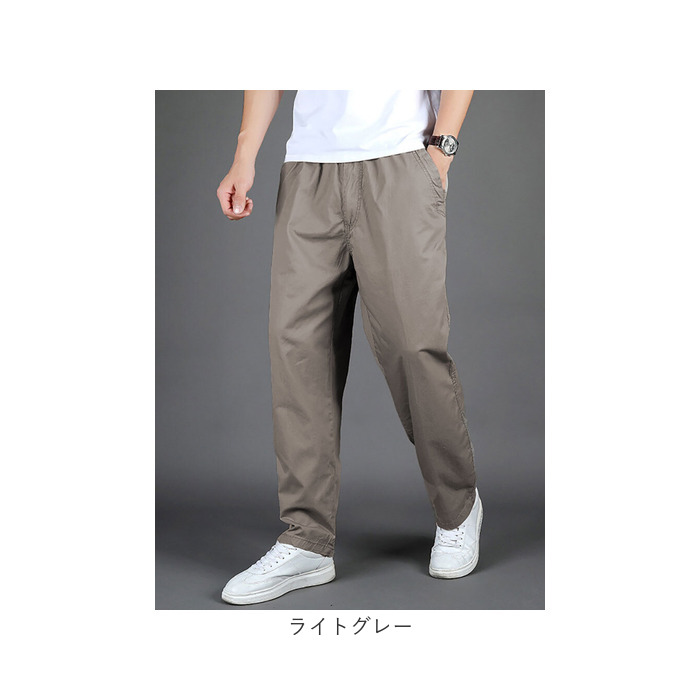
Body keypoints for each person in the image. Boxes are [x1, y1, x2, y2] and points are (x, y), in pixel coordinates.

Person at [216, 90, 482, 605]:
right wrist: (244, 155)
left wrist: (442, 149)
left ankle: (458, 509)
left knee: (412, 346)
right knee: (298, 352)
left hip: (400, 158)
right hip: (308, 168)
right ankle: (307, 539)